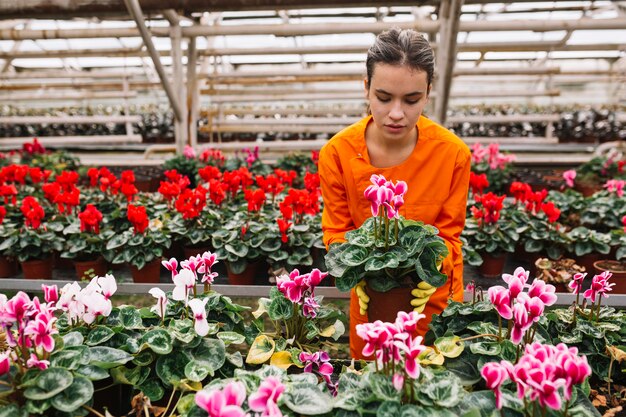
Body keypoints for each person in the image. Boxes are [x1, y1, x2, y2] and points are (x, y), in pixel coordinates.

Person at [318, 27, 471, 359]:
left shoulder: (452, 154)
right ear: (366, 89)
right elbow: (336, 232)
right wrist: (353, 274)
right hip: (371, 299)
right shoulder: (338, 153)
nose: (397, 113)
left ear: (428, 93)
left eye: (412, 99)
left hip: (432, 298)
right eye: (384, 98)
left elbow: (449, 234)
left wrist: (433, 272)